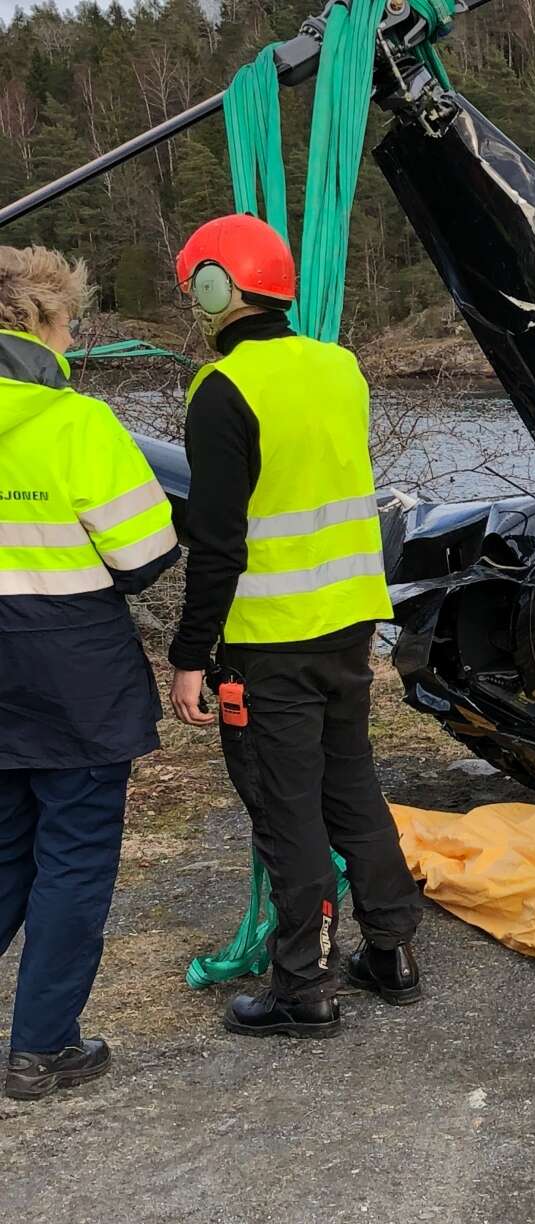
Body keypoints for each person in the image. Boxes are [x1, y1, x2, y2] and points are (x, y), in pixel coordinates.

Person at [167, 214, 422, 1038]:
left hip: (270, 641)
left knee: (288, 812)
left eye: (196, 288)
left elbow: (217, 544)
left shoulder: (222, 390)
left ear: (218, 289)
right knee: (352, 789)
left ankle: (303, 988)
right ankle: (392, 952)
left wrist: (189, 654)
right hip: (349, 627)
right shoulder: (340, 368)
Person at [0, 246, 180, 1101]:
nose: (73, 339)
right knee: (73, 856)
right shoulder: (77, 424)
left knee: (5, 850)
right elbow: (145, 554)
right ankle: (41, 1049)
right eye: (69, 322)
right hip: (72, 669)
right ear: (39, 321)